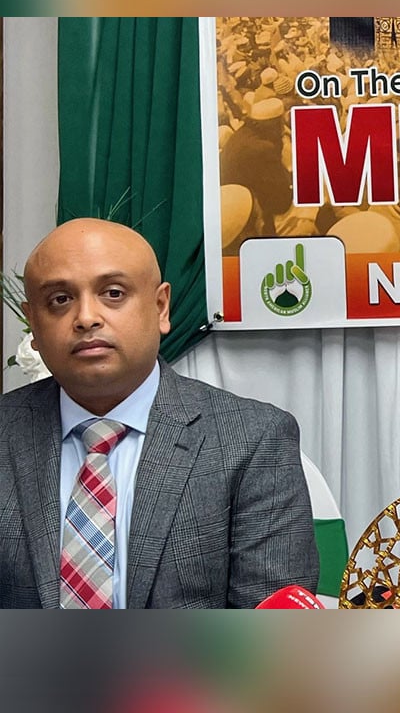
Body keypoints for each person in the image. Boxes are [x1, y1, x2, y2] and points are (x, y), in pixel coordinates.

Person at [0, 218, 319, 608]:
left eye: (113, 293)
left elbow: (274, 635)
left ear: (160, 307)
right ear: (32, 322)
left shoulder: (252, 440)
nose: (86, 317)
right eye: (60, 300)